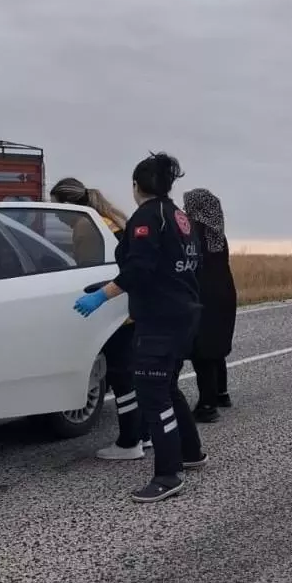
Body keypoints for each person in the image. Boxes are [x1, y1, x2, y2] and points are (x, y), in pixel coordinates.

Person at [71, 153, 207, 503]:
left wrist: (102, 296)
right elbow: (172, 265)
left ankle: (168, 474)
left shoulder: (147, 216)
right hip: (184, 312)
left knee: (151, 393)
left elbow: (140, 269)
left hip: (159, 318)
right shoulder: (178, 216)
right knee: (168, 387)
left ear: (136, 185)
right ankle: (191, 452)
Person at [50, 177, 149, 460]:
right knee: (132, 375)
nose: (55, 215)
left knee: (121, 375)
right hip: (131, 306)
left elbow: (89, 271)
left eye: (56, 207)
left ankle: (129, 442)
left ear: (68, 203)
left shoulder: (85, 227)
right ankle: (145, 434)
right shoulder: (107, 220)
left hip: (114, 308)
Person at [183, 188, 237, 422]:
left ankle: (207, 406)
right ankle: (221, 393)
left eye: (188, 205)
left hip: (204, 293)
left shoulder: (193, 231)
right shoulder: (217, 232)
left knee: (202, 350)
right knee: (217, 345)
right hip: (224, 292)